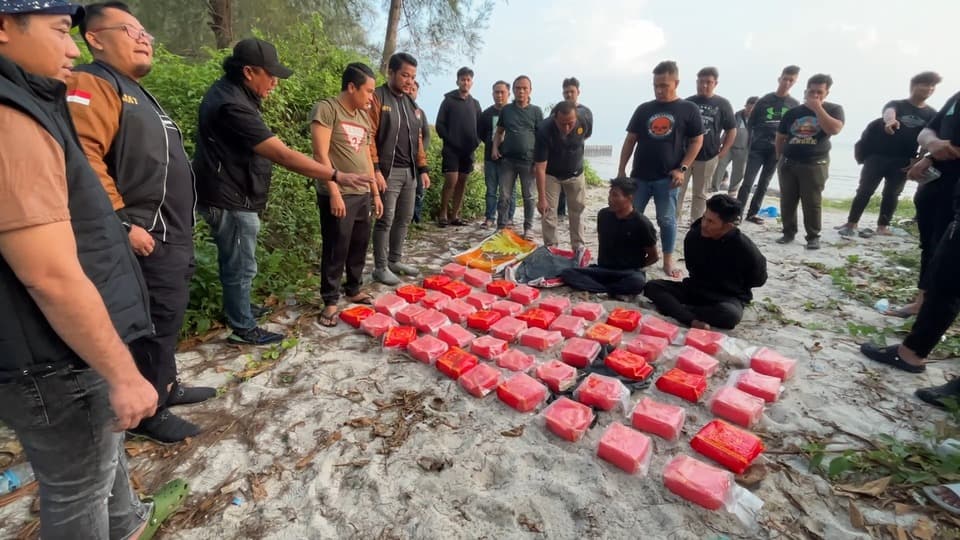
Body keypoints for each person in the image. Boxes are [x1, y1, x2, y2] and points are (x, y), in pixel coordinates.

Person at [0, 1, 185, 537]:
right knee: (77, 486)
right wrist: (124, 374)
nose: (71, 47)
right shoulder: (12, 117)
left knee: (103, 453)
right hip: (48, 353)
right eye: (61, 31)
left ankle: (126, 523)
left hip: (64, 341)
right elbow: (49, 275)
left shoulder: (34, 100)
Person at [66, 2, 215, 443]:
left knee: (167, 318)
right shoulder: (93, 83)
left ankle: (166, 385)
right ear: (94, 38)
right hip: (142, 234)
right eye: (130, 31)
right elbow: (82, 157)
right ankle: (149, 413)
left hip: (172, 232)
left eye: (145, 32)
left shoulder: (135, 91)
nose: (144, 39)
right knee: (148, 325)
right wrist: (120, 223)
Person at [194, 38, 372, 344]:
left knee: (238, 260)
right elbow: (283, 155)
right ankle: (243, 328)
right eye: (271, 75)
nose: (275, 82)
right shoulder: (232, 105)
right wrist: (336, 176)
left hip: (236, 192)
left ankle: (240, 308)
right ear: (249, 72)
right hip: (229, 196)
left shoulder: (237, 94)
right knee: (241, 265)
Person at [310, 63, 383, 327]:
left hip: (362, 192)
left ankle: (353, 288)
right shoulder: (327, 109)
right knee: (335, 246)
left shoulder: (363, 116)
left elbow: (366, 156)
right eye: (368, 91)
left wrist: (375, 192)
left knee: (359, 244)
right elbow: (320, 154)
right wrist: (334, 192)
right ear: (352, 87)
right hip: (339, 192)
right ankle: (330, 300)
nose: (371, 97)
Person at [617, 60, 704, 278]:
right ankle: (632, 255)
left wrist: (682, 168)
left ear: (676, 83)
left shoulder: (688, 109)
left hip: (667, 178)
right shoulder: (644, 109)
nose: (659, 90)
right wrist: (621, 169)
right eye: (656, 85)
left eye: (664, 85)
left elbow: (697, 141)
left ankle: (667, 259)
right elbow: (630, 140)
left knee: (666, 220)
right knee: (632, 217)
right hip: (640, 176)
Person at [839, 72, 941, 238]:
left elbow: (927, 136)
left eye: (933, 86)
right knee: (865, 190)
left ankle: (883, 226)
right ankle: (851, 223)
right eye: (925, 84)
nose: (929, 88)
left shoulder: (931, 114)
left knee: (892, 194)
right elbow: (889, 112)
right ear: (914, 86)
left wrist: (919, 159)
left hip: (904, 159)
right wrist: (890, 121)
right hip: (877, 156)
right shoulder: (897, 104)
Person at [644, 195, 767, 329]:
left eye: (711, 222)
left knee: (730, 315)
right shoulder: (695, 235)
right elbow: (691, 267)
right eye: (704, 218)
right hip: (696, 288)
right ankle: (689, 318)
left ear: (728, 226)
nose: (704, 224)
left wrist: (731, 284)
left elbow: (759, 280)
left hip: (726, 296)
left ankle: (680, 311)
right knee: (652, 286)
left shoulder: (745, 248)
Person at [890, 90, 960, 318]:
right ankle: (921, 302)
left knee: (948, 252)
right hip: (936, 181)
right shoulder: (956, 98)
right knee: (929, 244)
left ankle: (933, 312)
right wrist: (932, 149)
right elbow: (928, 130)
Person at [369, 52, 431, 285]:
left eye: (413, 77)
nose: (409, 81)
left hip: (409, 172)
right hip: (388, 171)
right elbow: (369, 136)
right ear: (391, 72)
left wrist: (423, 168)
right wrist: (375, 169)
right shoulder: (378, 97)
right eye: (405, 75)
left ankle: (395, 260)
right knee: (385, 219)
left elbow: (417, 139)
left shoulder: (410, 103)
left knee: (404, 217)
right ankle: (380, 267)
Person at [775, 73, 845, 250]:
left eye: (819, 92)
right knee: (787, 200)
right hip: (789, 162)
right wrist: (779, 158)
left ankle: (813, 236)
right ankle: (788, 232)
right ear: (806, 91)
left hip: (815, 163)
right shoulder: (793, 113)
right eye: (811, 91)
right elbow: (780, 137)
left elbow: (834, 129)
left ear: (826, 93)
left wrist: (818, 109)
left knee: (812, 202)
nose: (815, 95)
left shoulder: (834, 109)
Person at [560, 178, 659, 297]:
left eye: (615, 195)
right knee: (568, 273)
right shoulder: (603, 215)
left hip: (627, 273)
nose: (610, 199)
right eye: (610, 194)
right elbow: (602, 241)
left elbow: (653, 257)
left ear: (630, 198)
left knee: (637, 282)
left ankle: (601, 289)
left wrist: (635, 266)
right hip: (603, 270)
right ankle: (608, 290)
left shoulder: (642, 223)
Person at [738, 65, 800, 224]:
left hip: (776, 150)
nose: (787, 83)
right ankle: (737, 214)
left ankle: (752, 213)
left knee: (764, 183)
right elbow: (751, 123)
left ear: (795, 82)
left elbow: (795, 128)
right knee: (747, 182)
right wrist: (751, 142)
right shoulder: (764, 100)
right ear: (780, 79)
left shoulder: (794, 104)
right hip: (758, 148)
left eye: (791, 80)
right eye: (785, 79)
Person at [678, 66, 736, 222]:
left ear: (715, 83)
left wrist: (723, 151)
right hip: (685, 155)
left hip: (708, 155)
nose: (704, 85)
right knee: (678, 190)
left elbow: (731, 129)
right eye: (701, 82)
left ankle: (696, 223)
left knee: (700, 193)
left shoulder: (723, 104)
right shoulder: (687, 102)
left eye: (708, 82)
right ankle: (673, 220)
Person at [492, 75, 544, 239]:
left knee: (529, 197)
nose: (521, 91)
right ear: (513, 90)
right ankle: (501, 227)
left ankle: (528, 228)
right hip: (508, 160)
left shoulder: (536, 111)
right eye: (518, 88)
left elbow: (541, 138)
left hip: (528, 161)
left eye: (524, 88)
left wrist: (538, 162)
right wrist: (495, 148)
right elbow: (499, 132)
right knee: (504, 195)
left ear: (530, 90)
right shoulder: (506, 110)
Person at [533, 100, 589, 251]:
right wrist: (541, 198)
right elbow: (540, 168)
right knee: (548, 212)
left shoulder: (584, 120)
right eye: (562, 124)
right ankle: (551, 247)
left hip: (575, 173)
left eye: (570, 123)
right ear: (555, 118)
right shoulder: (544, 130)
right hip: (551, 175)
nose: (567, 128)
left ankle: (578, 247)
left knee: (577, 211)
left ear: (576, 118)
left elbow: (585, 136)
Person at [435, 66, 481, 227]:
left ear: (472, 83)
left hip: (468, 150)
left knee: (462, 181)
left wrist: (476, 141)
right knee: (451, 181)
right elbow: (440, 125)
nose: (465, 82)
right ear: (457, 81)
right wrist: (450, 140)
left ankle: (455, 215)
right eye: (463, 79)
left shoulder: (475, 104)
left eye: (468, 80)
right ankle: (442, 214)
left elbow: (481, 126)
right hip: (451, 149)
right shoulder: (448, 101)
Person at [478, 80, 514, 228]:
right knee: (491, 190)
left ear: (508, 93)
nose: (499, 95)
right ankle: (490, 217)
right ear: (492, 94)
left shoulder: (513, 112)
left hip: (509, 158)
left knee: (509, 191)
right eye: (496, 92)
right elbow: (480, 133)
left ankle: (508, 217)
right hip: (490, 158)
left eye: (502, 92)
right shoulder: (486, 114)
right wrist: (491, 144)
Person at [557, 76, 593, 218]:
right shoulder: (558, 110)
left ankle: (571, 217)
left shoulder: (585, 112)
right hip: (557, 158)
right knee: (559, 192)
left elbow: (587, 133)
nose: (569, 95)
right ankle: (560, 215)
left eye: (572, 91)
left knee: (575, 197)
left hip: (575, 159)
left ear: (578, 92)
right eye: (566, 92)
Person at [713, 96, 757, 195]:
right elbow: (726, 131)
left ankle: (732, 190)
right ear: (746, 105)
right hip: (729, 146)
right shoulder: (736, 116)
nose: (750, 110)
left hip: (744, 149)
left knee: (739, 171)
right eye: (749, 107)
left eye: (753, 109)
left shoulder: (757, 120)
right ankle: (714, 187)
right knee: (719, 166)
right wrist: (720, 143)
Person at [408, 80, 430, 224]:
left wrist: (421, 150)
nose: (410, 91)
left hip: (417, 159)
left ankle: (416, 218)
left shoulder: (420, 113)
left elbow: (426, 135)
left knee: (419, 189)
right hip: (401, 159)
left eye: (414, 89)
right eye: (409, 88)